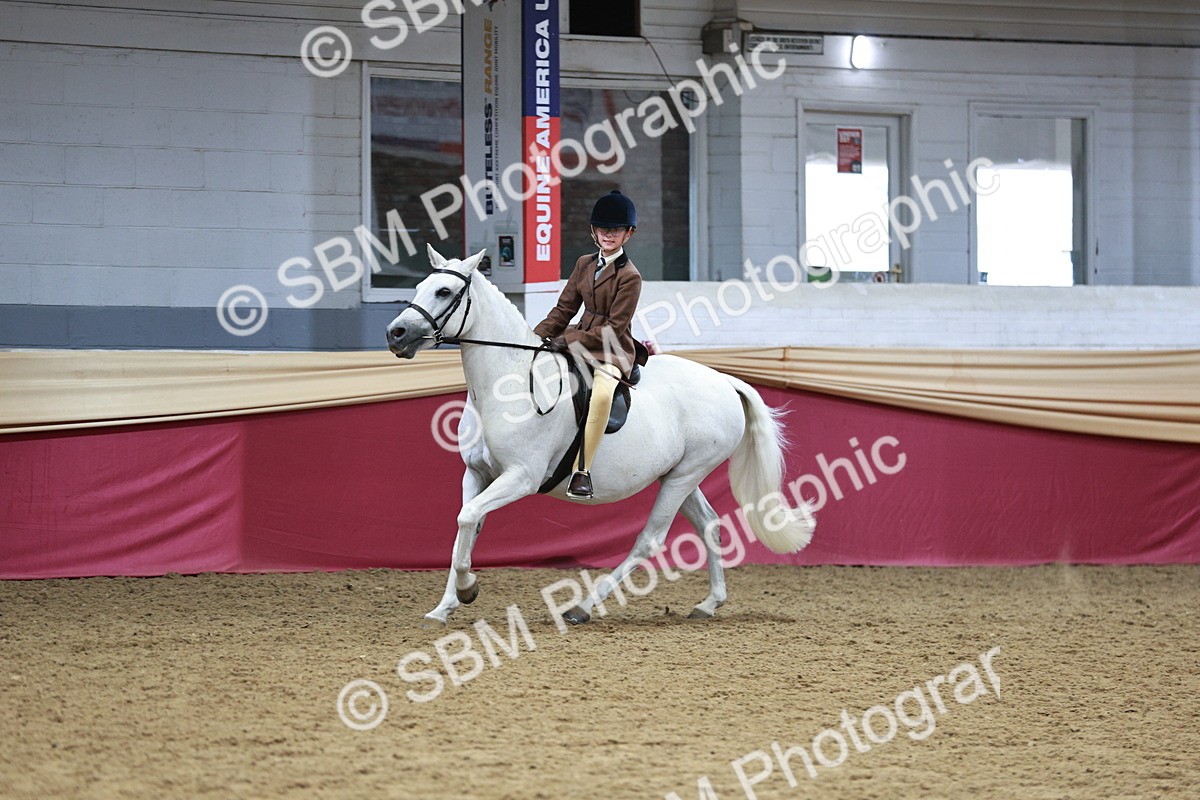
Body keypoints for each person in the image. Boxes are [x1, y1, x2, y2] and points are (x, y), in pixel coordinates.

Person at [534, 190, 649, 500]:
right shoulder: (584, 263)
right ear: (593, 231)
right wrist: (534, 338)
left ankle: (581, 470)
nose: (607, 235)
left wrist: (566, 338)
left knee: (599, 394)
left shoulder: (630, 276)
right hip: (577, 336)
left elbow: (613, 328)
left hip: (611, 348)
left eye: (614, 230)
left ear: (628, 233)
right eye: (602, 229)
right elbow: (563, 309)